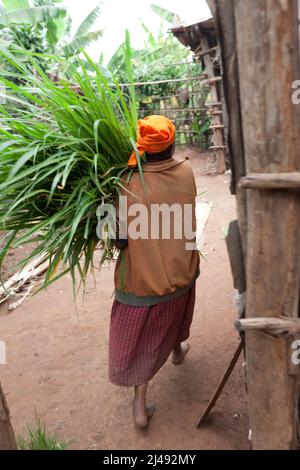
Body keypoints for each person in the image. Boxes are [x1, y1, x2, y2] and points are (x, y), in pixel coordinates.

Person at [109, 115, 200, 428]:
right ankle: (177, 348)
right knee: (176, 311)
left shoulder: (127, 182)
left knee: (146, 336)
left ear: (143, 148)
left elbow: (119, 239)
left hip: (144, 283)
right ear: (172, 145)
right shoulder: (187, 171)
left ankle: (140, 407)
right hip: (181, 273)